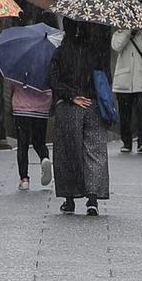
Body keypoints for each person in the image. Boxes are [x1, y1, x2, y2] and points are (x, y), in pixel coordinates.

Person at [47, 19, 113, 215]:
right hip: (92, 105)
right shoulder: (95, 51)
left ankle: (70, 199)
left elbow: (52, 79)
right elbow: (104, 79)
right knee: (95, 152)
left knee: (68, 153)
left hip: (68, 108)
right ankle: (93, 199)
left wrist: (71, 95)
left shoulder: (61, 52)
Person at [110, 25, 142, 154]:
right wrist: (128, 32)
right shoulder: (119, 33)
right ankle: (126, 142)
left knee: (141, 111)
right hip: (123, 80)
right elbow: (117, 46)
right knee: (125, 113)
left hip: (140, 79)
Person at [11, 79, 51, 190]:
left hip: (21, 107)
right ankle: (44, 158)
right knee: (39, 141)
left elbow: (13, 84)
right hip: (42, 107)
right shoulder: (45, 65)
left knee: (23, 144)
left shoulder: (19, 65)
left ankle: (24, 179)